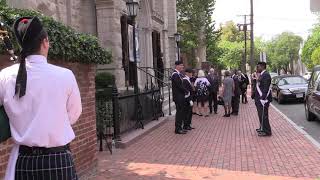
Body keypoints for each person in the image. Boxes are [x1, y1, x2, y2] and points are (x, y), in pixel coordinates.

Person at [0, 17, 82, 180]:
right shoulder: (65, 76)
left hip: (23, 162)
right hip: (58, 160)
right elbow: (73, 114)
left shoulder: (5, 76)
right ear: (45, 42)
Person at [255, 62, 272, 136]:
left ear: (262, 67)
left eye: (258, 67)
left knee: (264, 115)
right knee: (260, 114)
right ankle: (262, 128)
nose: (257, 68)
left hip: (263, 99)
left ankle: (267, 131)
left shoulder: (266, 75)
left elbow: (266, 88)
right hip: (259, 98)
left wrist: (263, 98)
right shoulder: (262, 74)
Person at [171, 61, 188, 134]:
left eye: (182, 65)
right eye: (181, 65)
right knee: (179, 113)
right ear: (177, 66)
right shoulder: (175, 75)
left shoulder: (178, 74)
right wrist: (186, 91)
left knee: (181, 112)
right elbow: (179, 86)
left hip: (180, 96)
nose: (182, 67)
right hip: (178, 96)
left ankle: (179, 127)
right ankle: (177, 129)